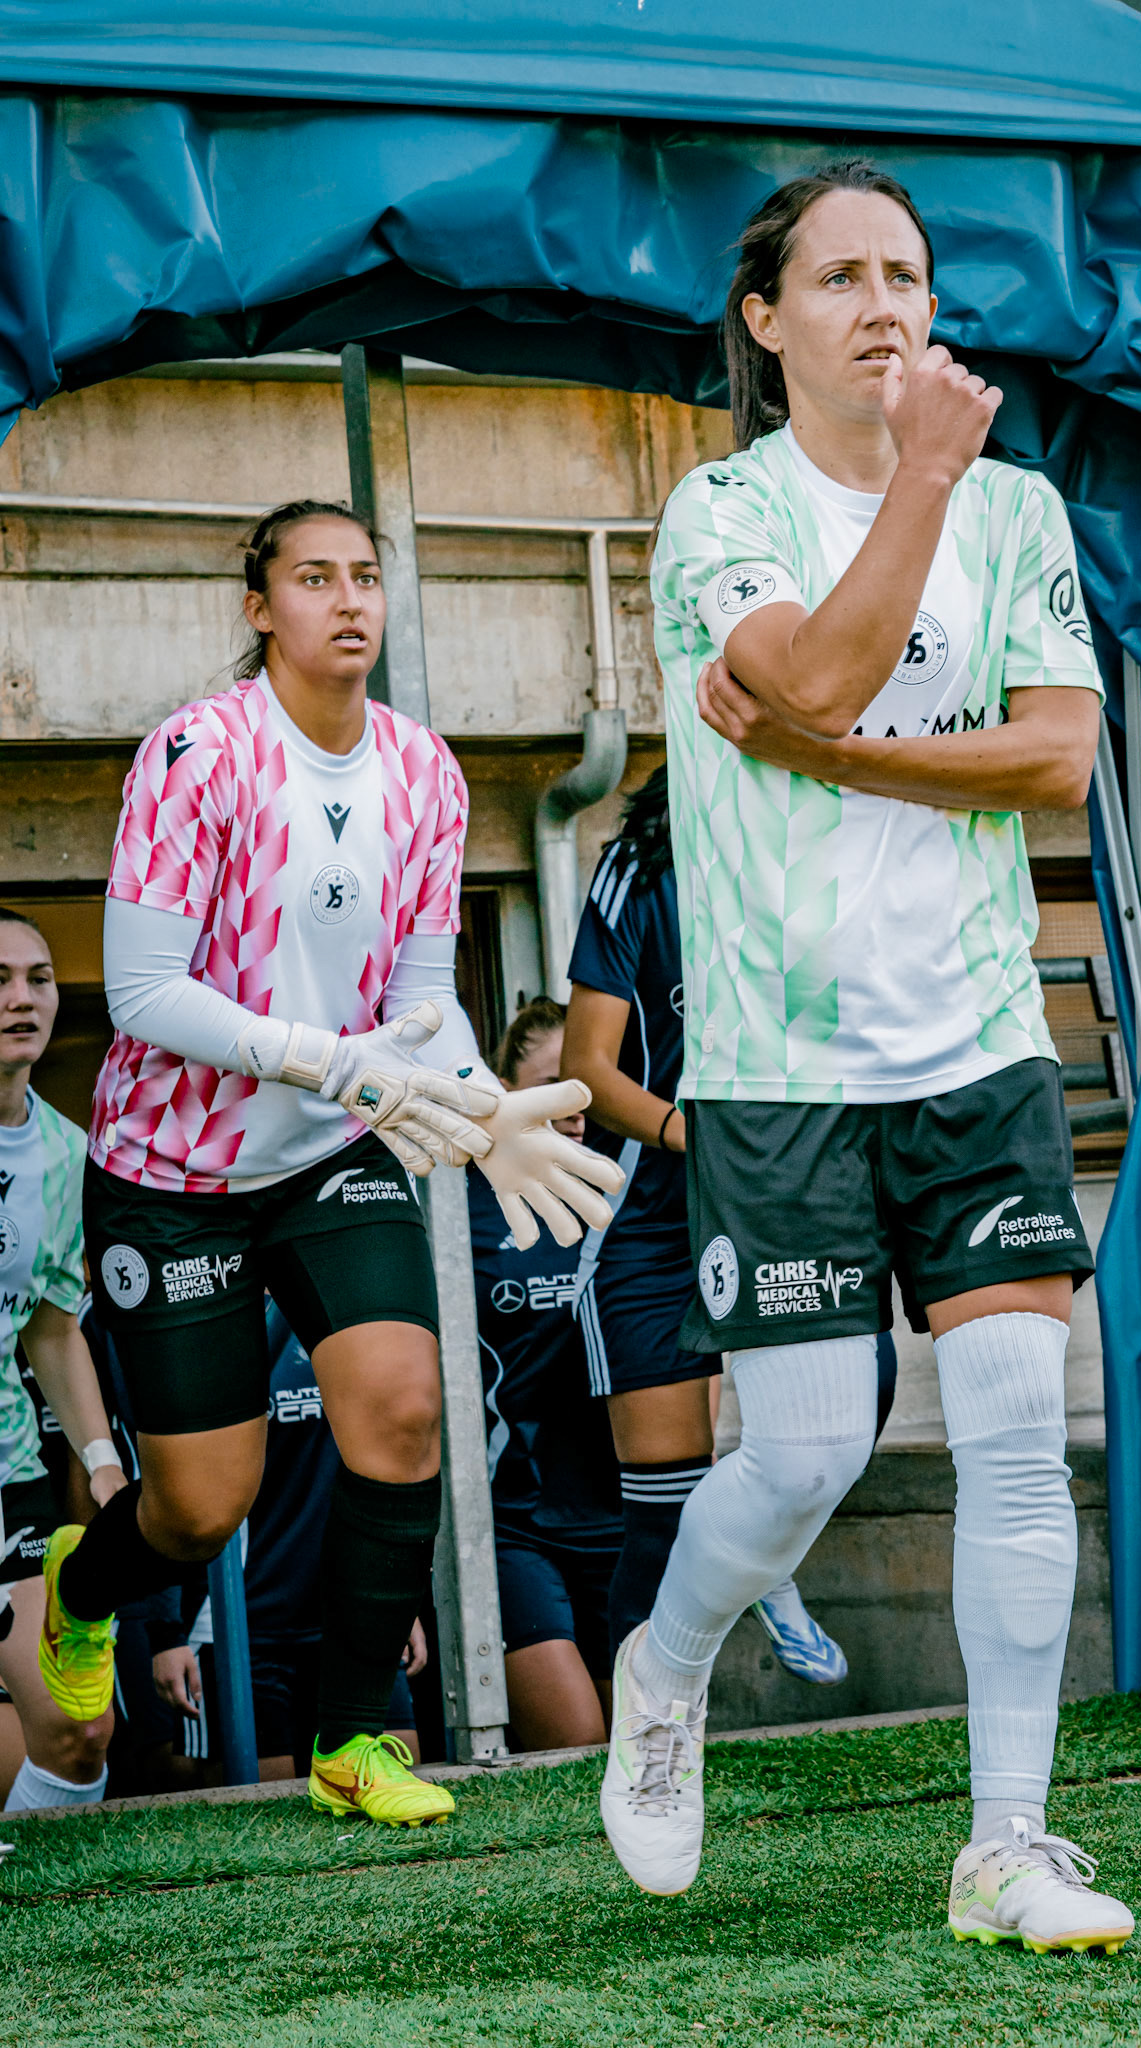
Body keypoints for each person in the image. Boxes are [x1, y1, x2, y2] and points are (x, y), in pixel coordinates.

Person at [599, 160, 1133, 1955]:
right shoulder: (717, 516)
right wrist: (914, 487)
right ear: (769, 322)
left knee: (1009, 1439)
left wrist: (838, 758)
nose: (886, 304)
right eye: (840, 278)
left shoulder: (1019, 512)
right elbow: (813, 668)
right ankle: (662, 1674)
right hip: (781, 1063)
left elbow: (1057, 758)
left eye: (906, 272)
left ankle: (1008, 1840)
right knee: (808, 1454)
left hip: (979, 1044)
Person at [39, 496, 622, 1830]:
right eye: (315, 578)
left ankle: (351, 1740)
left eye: (367, 576)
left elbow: (422, 1001)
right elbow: (141, 995)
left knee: (406, 1411)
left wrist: (478, 1102)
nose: (350, 600)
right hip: (174, 1176)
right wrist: (341, 1062)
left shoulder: (425, 770)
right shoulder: (198, 754)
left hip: (329, 1154)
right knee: (201, 1504)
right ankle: (82, 1584)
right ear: (260, 607)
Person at [564, 766, 885, 1683]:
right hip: (657, 1217)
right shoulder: (640, 865)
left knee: (857, 1408)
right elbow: (589, 1067)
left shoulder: (826, 850)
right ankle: (642, 1748)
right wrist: (689, 1136)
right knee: (660, 1513)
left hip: (793, 1207)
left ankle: (765, 1555)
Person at [146, 1298, 427, 1781]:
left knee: (398, 1777)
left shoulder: (342, 1304)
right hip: (239, 1627)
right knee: (267, 1811)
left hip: (350, 1613)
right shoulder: (208, 1320)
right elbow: (168, 1491)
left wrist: (393, 1597)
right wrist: (167, 1632)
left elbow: (377, 1472)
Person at [0, 906, 127, 1813]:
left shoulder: (63, 1151)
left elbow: (50, 1329)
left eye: (39, 979)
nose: (21, 999)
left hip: (8, 1472)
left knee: (77, 1733)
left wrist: (104, 1466)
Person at [472, 999, 624, 1750]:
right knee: (574, 1743)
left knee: (647, 1751)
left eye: (587, 1087)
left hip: (625, 1515)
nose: (574, 1110)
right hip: (512, 1517)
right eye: (551, 1086)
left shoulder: (637, 1193)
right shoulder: (469, 1203)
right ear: (506, 1090)